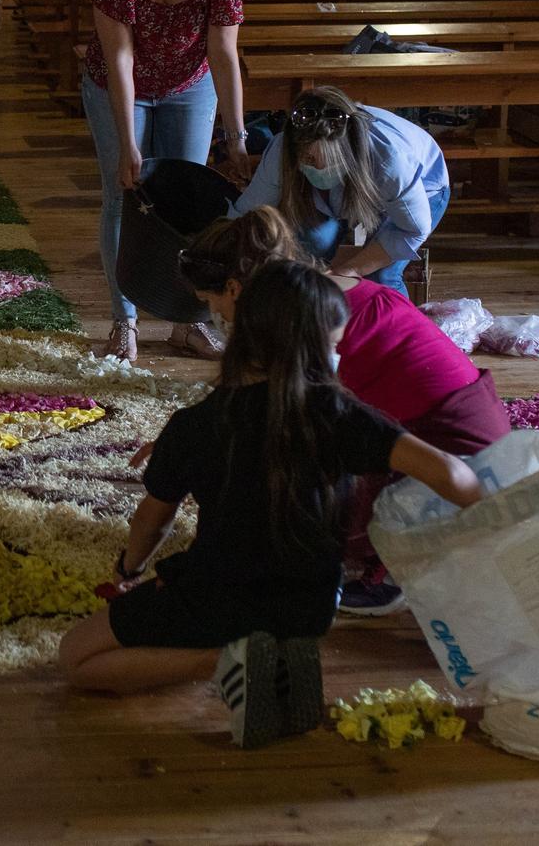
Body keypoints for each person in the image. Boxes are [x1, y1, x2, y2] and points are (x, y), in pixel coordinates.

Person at [56, 262, 483, 748]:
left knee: (77, 659)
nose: (338, 353)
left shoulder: (194, 424)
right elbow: (451, 473)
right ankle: (265, 653)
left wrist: (130, 567)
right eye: (334, 344)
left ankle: (225, 660)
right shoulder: (341, 414)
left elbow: (152, 521)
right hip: (310, 606)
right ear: (313, 346)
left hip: (220, 597)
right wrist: (498, 509)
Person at [178, 207, 511, 614]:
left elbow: (278, 416)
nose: (218, 317)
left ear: (233, 289)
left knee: (295, 509)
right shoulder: (314, 289)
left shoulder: (297, 320)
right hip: (469, 426)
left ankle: (387, 571)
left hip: (452, 443)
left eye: (210, 302)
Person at [84, 0, 252, 364]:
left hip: (188, 87)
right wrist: (128, 144)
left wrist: (238, 136)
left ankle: (188, 321)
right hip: (117, 85)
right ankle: (124, 321)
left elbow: (224, 56)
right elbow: (119, 57)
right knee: (124, 195)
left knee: (191, 204)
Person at [232, 85, 450, 292]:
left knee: (381, 278)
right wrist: (226, 247)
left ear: (346, 151)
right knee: (308, 253)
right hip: (350, 189)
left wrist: (350, 270)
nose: (316, 167)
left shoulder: (389, 162)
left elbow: (413, 230)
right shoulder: (282, 150)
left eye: (326, 160)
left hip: (423, 185)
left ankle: (396, 329)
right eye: (307, 158)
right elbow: (248, 212)